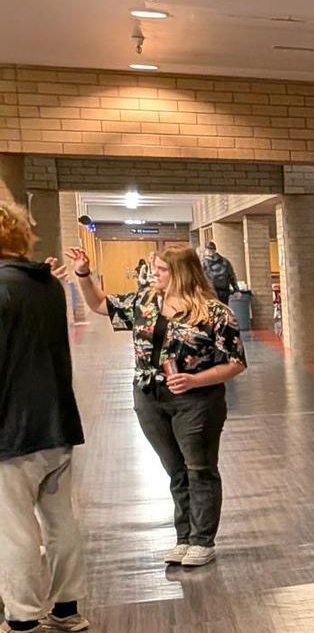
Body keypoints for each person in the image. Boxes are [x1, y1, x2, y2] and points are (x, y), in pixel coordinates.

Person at [63, 245, 246, 569]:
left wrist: (195, 380)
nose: (153, 275)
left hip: (197, 401)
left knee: (199, 468)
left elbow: (235, 362)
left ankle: (202, 541)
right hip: (149, 397)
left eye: (161, 270)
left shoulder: (215, 313)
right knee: (176, 470)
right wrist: (83, 273)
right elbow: (99, 304)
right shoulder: (145, 303)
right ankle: (184, 538)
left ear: (181, 273)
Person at [0, 199, 89, 633]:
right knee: (61, 522)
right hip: (57, 421)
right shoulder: (50, 286)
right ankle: (66, 610)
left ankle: (22, 618)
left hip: (11, 429)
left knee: (14, 530)